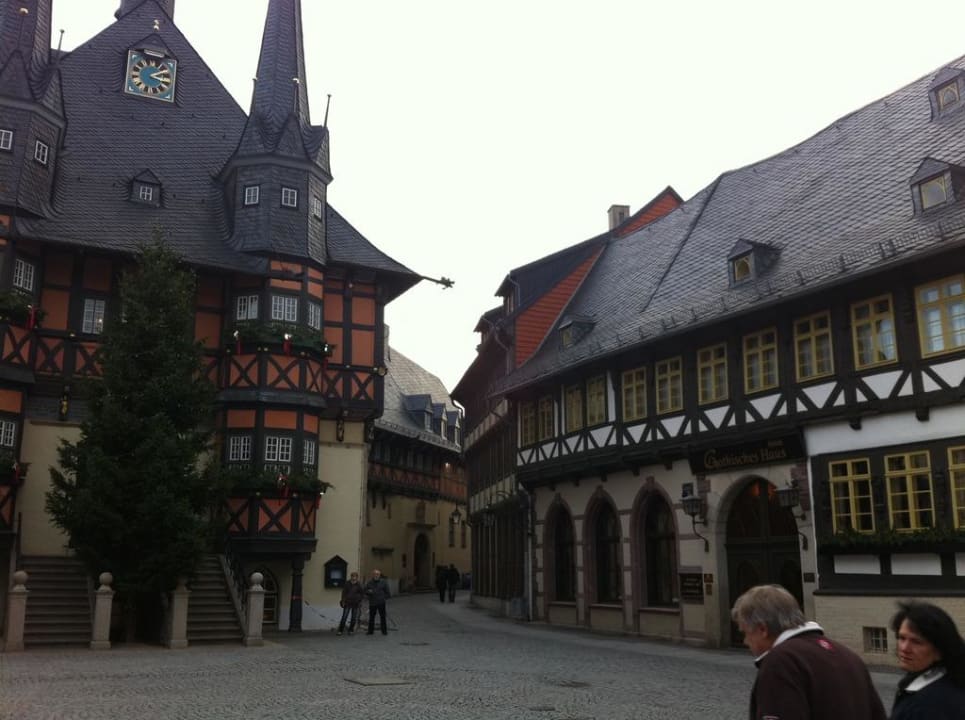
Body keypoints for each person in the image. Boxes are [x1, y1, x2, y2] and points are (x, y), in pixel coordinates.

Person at [731, 584, 886, 720]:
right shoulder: (848, 655)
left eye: (745, 633)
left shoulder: (780, 663)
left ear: (762, 629)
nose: (745, 641)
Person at [890, 600, 965, 719]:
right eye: (902, 638)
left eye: (916, 642)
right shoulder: (951, 679)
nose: (904, 648)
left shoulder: (926, 706)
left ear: (939, 651)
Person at [364, 568, 390, 635]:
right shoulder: (369, 582)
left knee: (383, 617)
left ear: (380, 575)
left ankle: (384, 631)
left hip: (381, 602)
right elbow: (365, 591)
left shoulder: (383, 582)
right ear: (373, 575)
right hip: (372, 602)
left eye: (377, 574)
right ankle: (370, 631)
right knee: (371, 617)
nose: (376, 575)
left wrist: (383, 598)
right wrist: (368, 592)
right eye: (375, 574)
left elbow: (388, 593)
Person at [336, 571, 364, 635]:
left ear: (357, 577)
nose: (354, 578)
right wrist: (343, 601)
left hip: (355, 603)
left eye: (355, 576)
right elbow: (343, 593)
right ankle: (340, 630)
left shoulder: (359, 584)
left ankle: (351, 630)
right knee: (344, 617)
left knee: (353, 618)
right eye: (352, 576)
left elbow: (362, 593)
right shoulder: (347, 583)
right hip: (347, 603)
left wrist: (359, 600)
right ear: (351, 577)